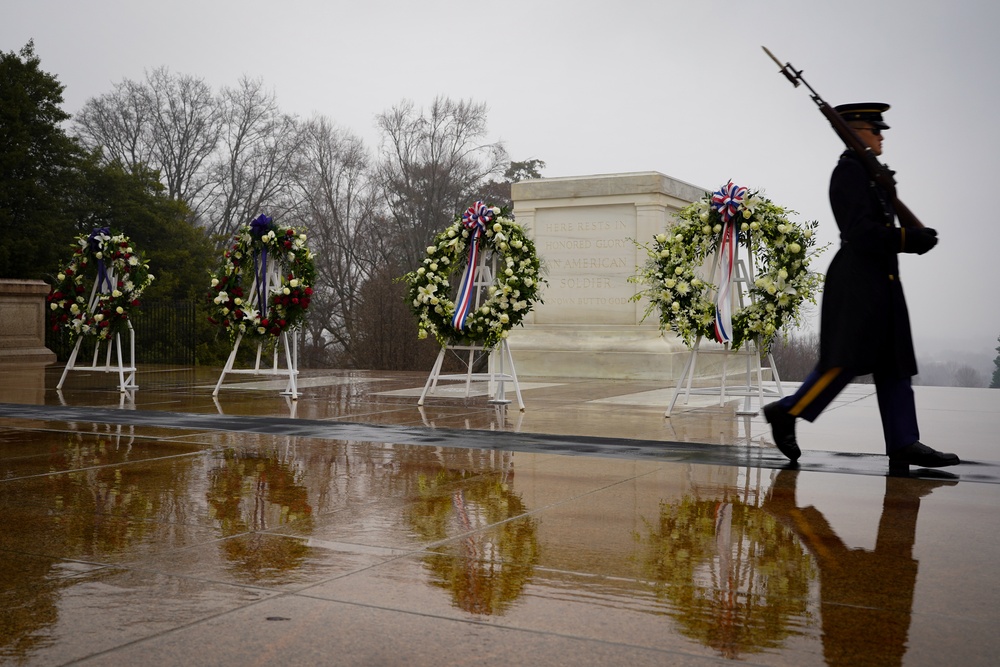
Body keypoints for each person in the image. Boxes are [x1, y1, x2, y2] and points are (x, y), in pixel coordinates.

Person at [763, 102, 959, 471]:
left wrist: (907, 236)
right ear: (855, 132)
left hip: (882, 281)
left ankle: (904, 441)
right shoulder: (849, 173)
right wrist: (908, 238)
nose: (882, 135)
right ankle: (786, 412)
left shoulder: (871, 174)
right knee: (843, 363)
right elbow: (860, 232)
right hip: (857, 283)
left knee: (894, 365)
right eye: (875, 129)